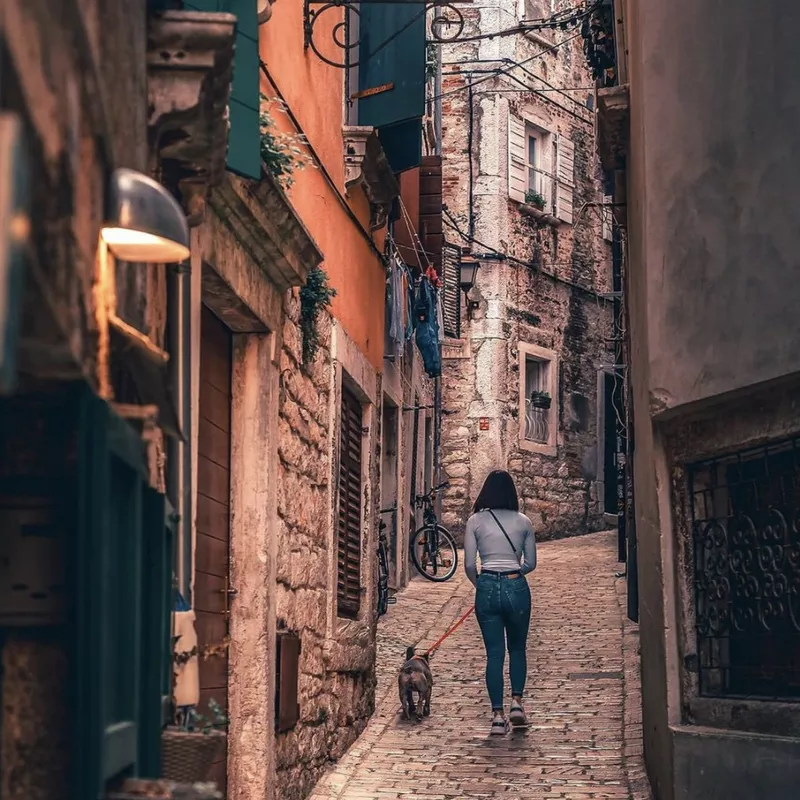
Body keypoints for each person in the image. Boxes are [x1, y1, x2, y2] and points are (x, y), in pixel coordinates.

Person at [464, 469, 537, 735]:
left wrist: (482, 584)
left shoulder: (475, 522)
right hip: (516, 584)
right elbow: (531, 563)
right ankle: (517, 703)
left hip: (487, 584)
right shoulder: (524, 522)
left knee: (494, 654)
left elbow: (470, 564)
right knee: (517, 649)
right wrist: (513, 574)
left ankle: (497, 716)